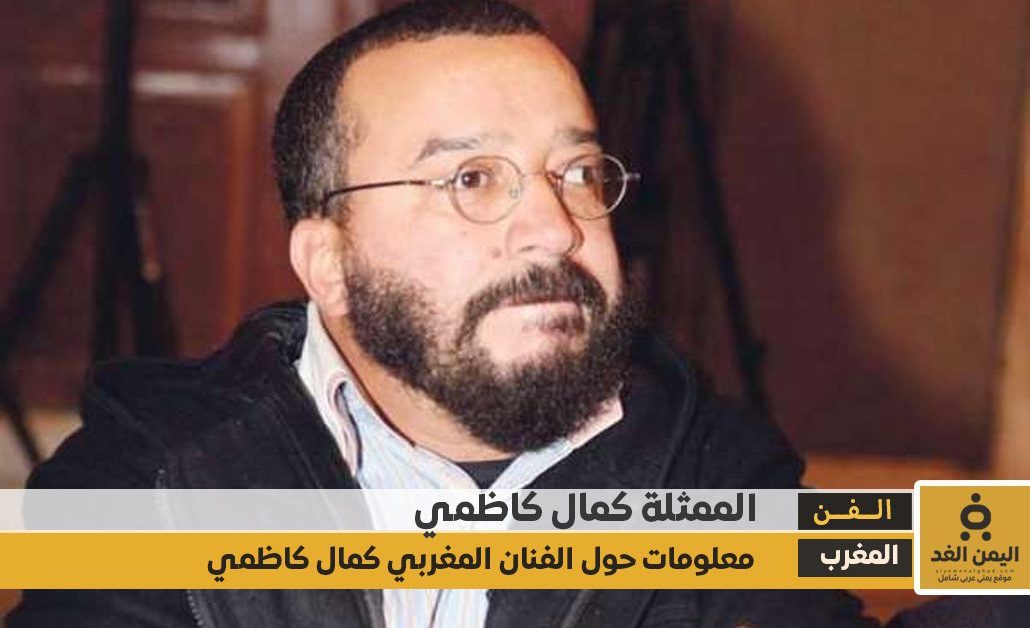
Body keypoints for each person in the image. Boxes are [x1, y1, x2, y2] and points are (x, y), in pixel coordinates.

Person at [8, 1, 879, 626]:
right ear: (330, 264)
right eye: (472, 179)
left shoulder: (720, 477)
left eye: (578, 173)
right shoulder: (152, 487)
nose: (556, 229)